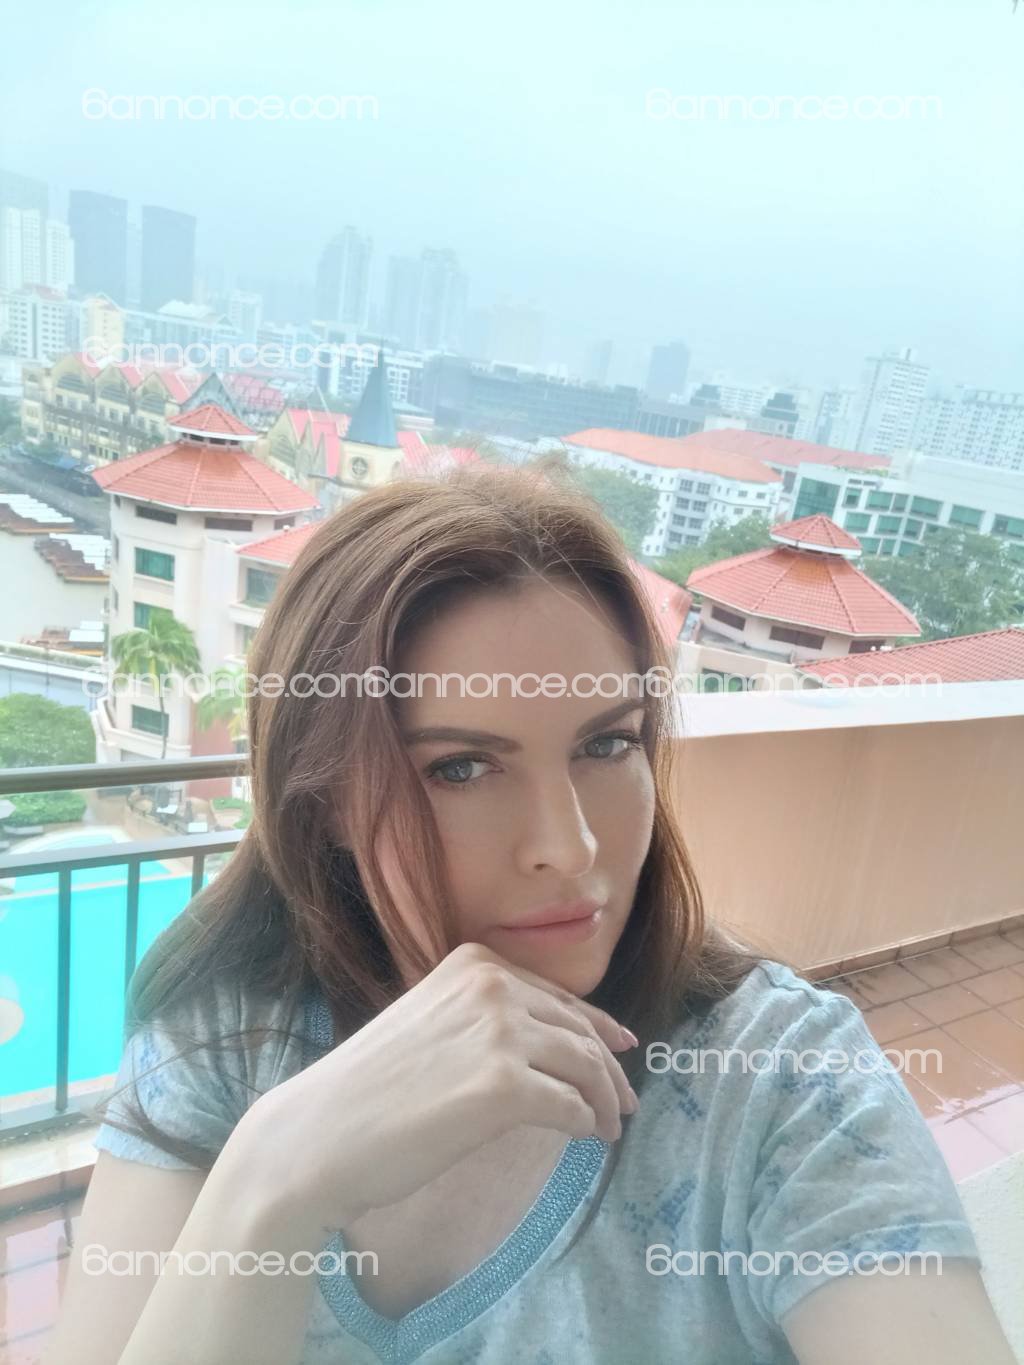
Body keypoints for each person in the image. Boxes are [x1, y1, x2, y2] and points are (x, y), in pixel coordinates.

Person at [47, 462, 1015, 1365]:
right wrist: (271, 1184)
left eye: (606, 745)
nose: (571, 846)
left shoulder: (780, 1084)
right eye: (462, 768)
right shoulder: (227, 1032)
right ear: (325, 801)